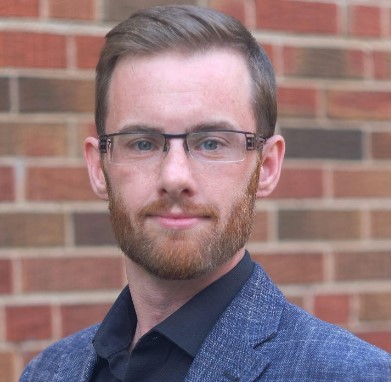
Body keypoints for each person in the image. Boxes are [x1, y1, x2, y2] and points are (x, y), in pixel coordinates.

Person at [20, 4, 390, 382]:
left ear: (267, 167)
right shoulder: (47, 372)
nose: (175, 176)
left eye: (212, 143)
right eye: (143, 143)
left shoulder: (355, 374)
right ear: (99, 167)